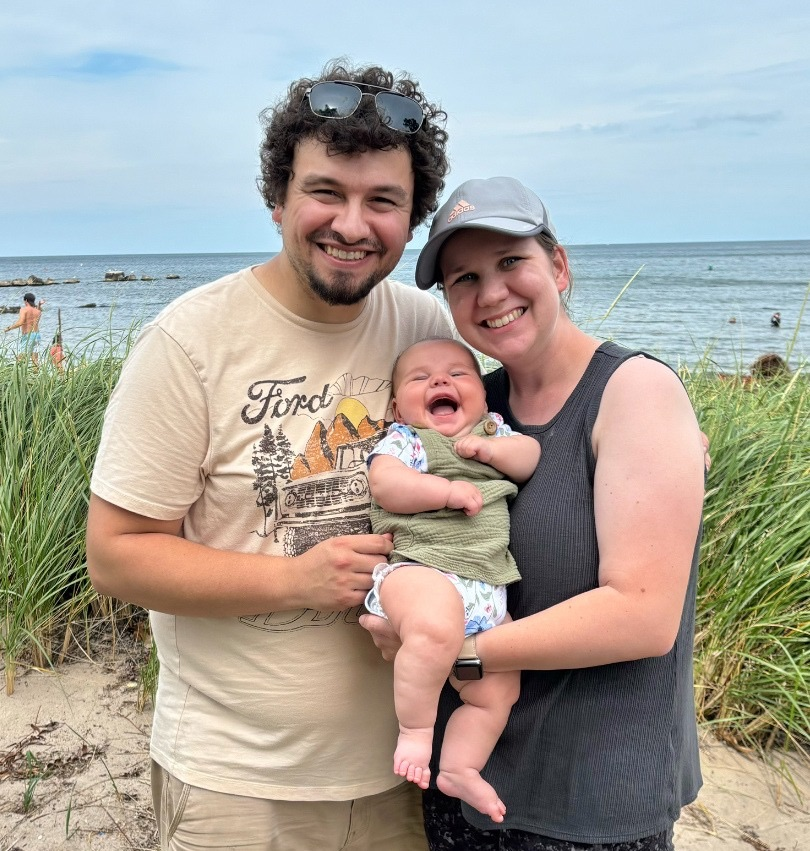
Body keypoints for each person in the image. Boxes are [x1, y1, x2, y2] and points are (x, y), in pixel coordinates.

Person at [85, 60, 454, 851]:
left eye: (382, 200)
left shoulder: (425, 329)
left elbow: (503, 432)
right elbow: (115, 556)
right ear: (277, 199)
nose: (352, 224)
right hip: (236, 784)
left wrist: (636, 411)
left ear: (412, 216)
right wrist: (296, 580)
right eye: (326, 191)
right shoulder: (190, 341)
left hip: (404, 770)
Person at [361, 176, 707, 850]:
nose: (491, 293)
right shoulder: (473, 402)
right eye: (464, 278)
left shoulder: (634, 391)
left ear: (559, 266)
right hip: (467, 784)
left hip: (595, 798)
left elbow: (643, 615)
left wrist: (454, 650)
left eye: (511, 262)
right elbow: (399, 513)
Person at [365, 337, 539, 822]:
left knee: (498, 693)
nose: (440, 380)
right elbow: (386, 484)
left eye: (458, 374)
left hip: (485, 588)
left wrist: (491, 449)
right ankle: (415, 731)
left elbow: (529, 456)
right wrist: (444, 491)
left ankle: (461, 767)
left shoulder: (494, 430)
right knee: (434, 626)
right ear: (397, 408)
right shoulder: (407, 439)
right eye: (421, 377)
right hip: (420, 570)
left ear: (483, 397)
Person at [4, 292, 45, 365]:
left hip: (28, 336)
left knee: (20, 358)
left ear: (26, 300)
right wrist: (39, 305)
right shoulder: (38, 311)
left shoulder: (24, 309)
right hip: (37, 335)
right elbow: (34, 317)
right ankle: (36, 372)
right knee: (35, 360)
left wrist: (9, 328)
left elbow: (20, 322)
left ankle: (17, 372)